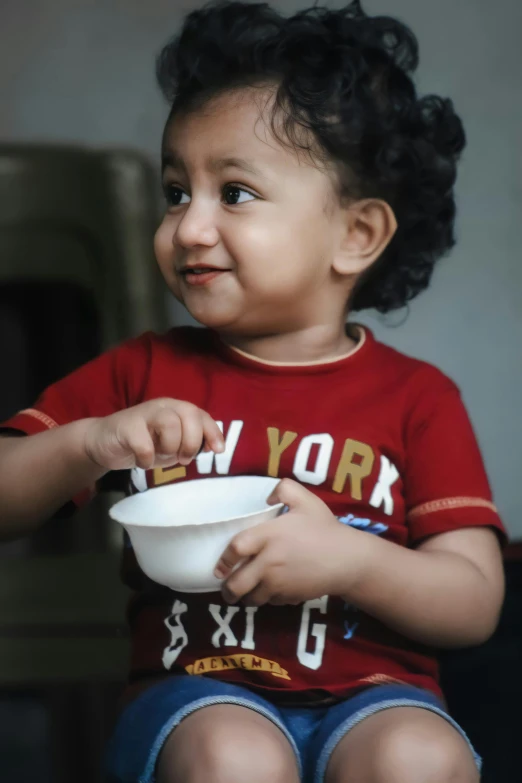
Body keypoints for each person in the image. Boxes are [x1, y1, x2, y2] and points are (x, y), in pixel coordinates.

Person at [0, 2, 506, 781]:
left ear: (356, 235)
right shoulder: (142, 373)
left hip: (378, 698)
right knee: (237, 753)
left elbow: (474, 600)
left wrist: (350, 561)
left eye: (233, 193)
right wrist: (87, 442)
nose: (189, 227)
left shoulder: (419, 397)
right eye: (176, 191)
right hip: (199, 696)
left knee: (422, 754)